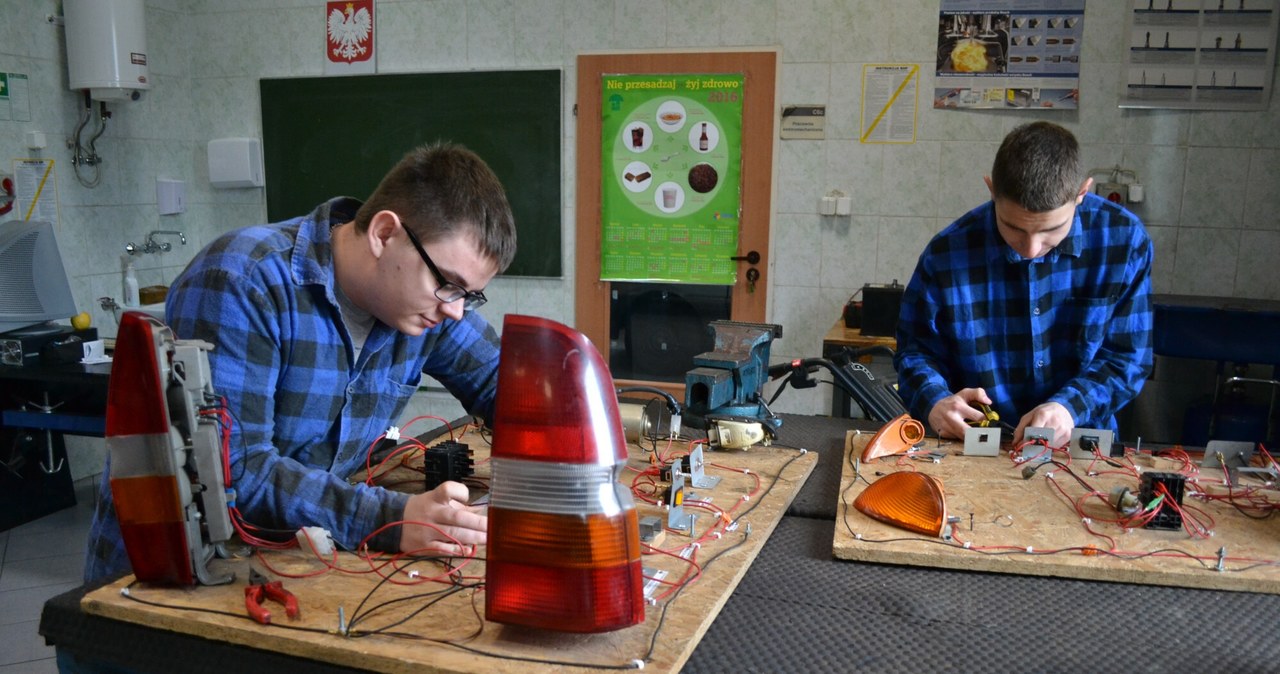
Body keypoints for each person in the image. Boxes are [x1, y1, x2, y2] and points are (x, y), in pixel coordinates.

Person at [84, 142, 516, 583]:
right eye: (449, 284)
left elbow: (508, 390)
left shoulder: (425, 310)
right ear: (385, 235)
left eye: (470, 295)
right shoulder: (242, 280)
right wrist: (393, 518)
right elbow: (236, 472)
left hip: (295, 560)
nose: (457, 310)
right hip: (166, 584)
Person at [894, 121, 1153, 448]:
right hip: (974, 445)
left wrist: (1069, 408)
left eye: (1051, 231)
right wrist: (934, 401)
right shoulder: (947, 253)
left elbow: (1128, 357)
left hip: (1078, 445)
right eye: (1014, 228)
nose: (1030, 249)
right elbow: (915, 352)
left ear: (1082, 194)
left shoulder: (1124, 241)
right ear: (991, 189)